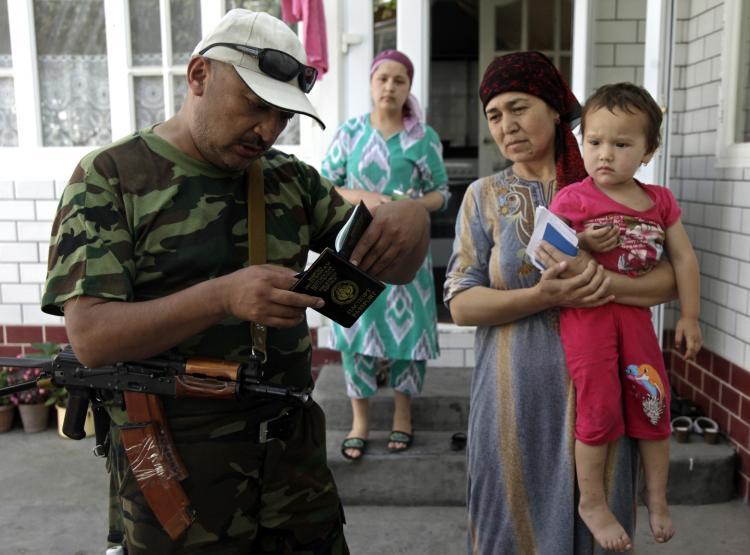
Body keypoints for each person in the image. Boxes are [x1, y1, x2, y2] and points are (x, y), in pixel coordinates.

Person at [41, 9, 431, 554]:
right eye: (255, 106)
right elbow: (91, 338)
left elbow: (394, 263)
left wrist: (412, 218)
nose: (268, 130)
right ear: (199, 76)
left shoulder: (287, 178)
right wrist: (224, 296)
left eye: (283, 116)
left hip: (292, 467)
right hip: (178, 470)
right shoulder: (111, 178)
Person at [443, 51, 677, 554]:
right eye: (494, 115)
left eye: (519, 107)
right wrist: (541, 296)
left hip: (599, 391)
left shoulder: (607, 183)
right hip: (513, 398)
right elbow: (461, 303)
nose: (507, 125)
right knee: (508, 530)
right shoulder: (483, 197)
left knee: (596, 530)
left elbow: (667, 283)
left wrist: (602, 288)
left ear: (555, 108)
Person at [549, 82, 702, 551]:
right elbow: (549, 258)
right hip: (589, 319)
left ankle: (656, 498)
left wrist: (690, 318)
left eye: (621, 144)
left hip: (636, 319)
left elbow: (684, 261)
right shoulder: (572, 200)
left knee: (653, 404)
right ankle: (591, 501)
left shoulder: (660, 201)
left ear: (648, 150)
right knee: (597, 408)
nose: (605, 155)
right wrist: (582, 242)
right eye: (594, 142)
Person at [321, 49, 449, 459]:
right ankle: (360, 420)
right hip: (356, 247)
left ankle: (402, 415)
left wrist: (408, 207)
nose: (390, 87)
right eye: (383, 78)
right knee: (354, 331)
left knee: (407, 336)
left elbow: (441, 194)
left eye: (399, 80)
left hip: (406, 254)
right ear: (371, 84)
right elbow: (326, 185)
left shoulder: (422, 138)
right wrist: (375, 198)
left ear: (409, 88)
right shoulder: (350, 133)